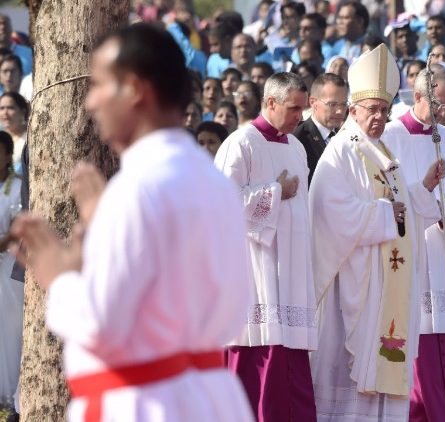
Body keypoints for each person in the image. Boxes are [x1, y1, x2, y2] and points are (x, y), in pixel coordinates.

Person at [10, 23, 253, 421]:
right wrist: (102, 231)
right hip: (209, 399)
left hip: (143, 403)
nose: (91, 103)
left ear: (136, 90)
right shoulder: (214, 183)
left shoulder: (137, 189)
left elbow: (103, 324)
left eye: (100, 85)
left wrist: (60, 275)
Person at [309, 43, 445, 421]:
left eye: (385, 110)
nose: (379, 117)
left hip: (386, 279)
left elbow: (403, 210)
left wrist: (423, 189)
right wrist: (383, 214)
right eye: (372, 110)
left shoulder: (382, 151)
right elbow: (328, 209)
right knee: (349, 369)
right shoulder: (341, 151)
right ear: (352, 110)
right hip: (356, 276)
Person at [214, 72, 317, 422]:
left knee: (291, 365)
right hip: (254, 272)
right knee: (259, 364)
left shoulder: (298, 147)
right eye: (293, 109)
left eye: (302, 109)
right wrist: (274, 191)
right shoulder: (241, 143)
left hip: (289, 271)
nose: (299, 117)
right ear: (271, 103)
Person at [382, 63, 445, 421]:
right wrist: (422, 199)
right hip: (403, 250)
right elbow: (383, 195)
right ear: (419, 96)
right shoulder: (389, 136)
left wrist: (443, 211)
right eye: (438, 105)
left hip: (437, 250)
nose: (443, 114)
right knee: (403, 339)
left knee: (436, 343)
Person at [293, 73, 348, 184]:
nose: (340, 111)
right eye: (332, 104)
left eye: (343, 104)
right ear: (313, 103)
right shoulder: (298, 139)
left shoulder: (346, 136)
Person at [0, 130, 21, 409]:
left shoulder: (18, 186)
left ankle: (10, 400)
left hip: (9, 269)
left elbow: (18, 229)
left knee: (9, 332)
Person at [0, 92, 27, 171]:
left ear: (23, 111)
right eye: (2, 108)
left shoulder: (31, 137)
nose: (5, 113)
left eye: (10, 108)